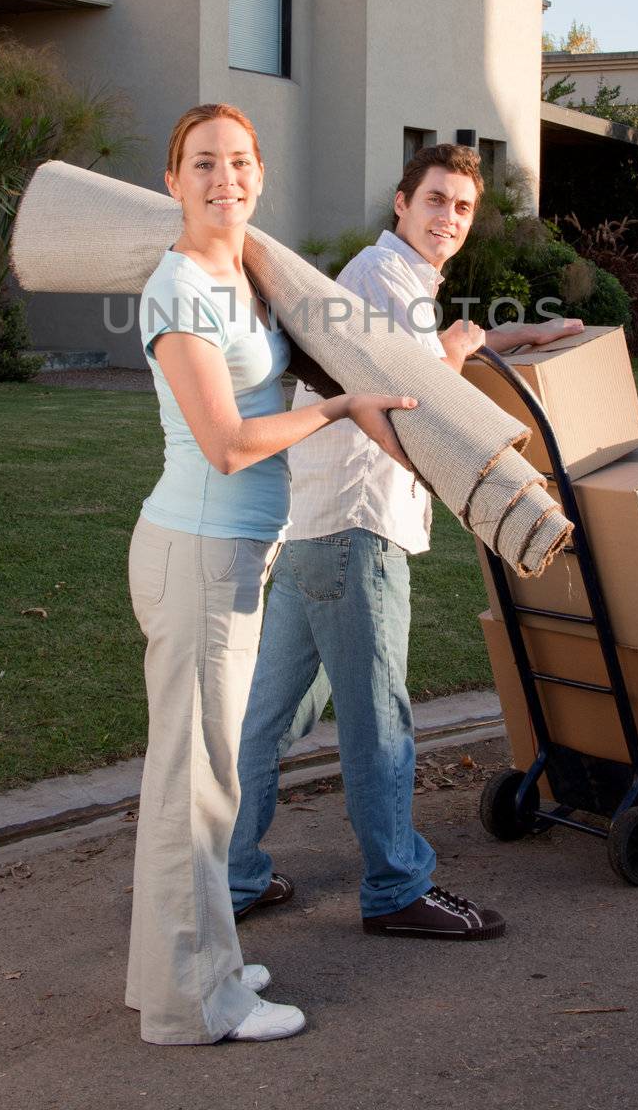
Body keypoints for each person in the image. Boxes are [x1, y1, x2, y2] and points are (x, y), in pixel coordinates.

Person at [229, 143, 583, 939]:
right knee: (378, 719)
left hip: (319, 528)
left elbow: (434, 351)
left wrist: (515, 335)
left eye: (461, 207)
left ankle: (230, 874)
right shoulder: (377, 278)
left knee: (267, 718)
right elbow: (416, 398)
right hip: (358, 530)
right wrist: (458, 352)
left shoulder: (393, 280)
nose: (447, 219)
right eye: (434, 201)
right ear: (401, 203)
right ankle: (396, 890)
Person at [125, 102, 418, 1046]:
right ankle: (195, 1006)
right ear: (171, 180)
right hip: (200, 552)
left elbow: (325, 347)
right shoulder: (180, 291)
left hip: (235, 553)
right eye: (203, 164)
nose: (226, 180)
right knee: (196, 788)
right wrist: (338, 415)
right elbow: (227, 442)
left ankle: (185, 971)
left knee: (199, 782)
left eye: (241, 163)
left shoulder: (243, 271)